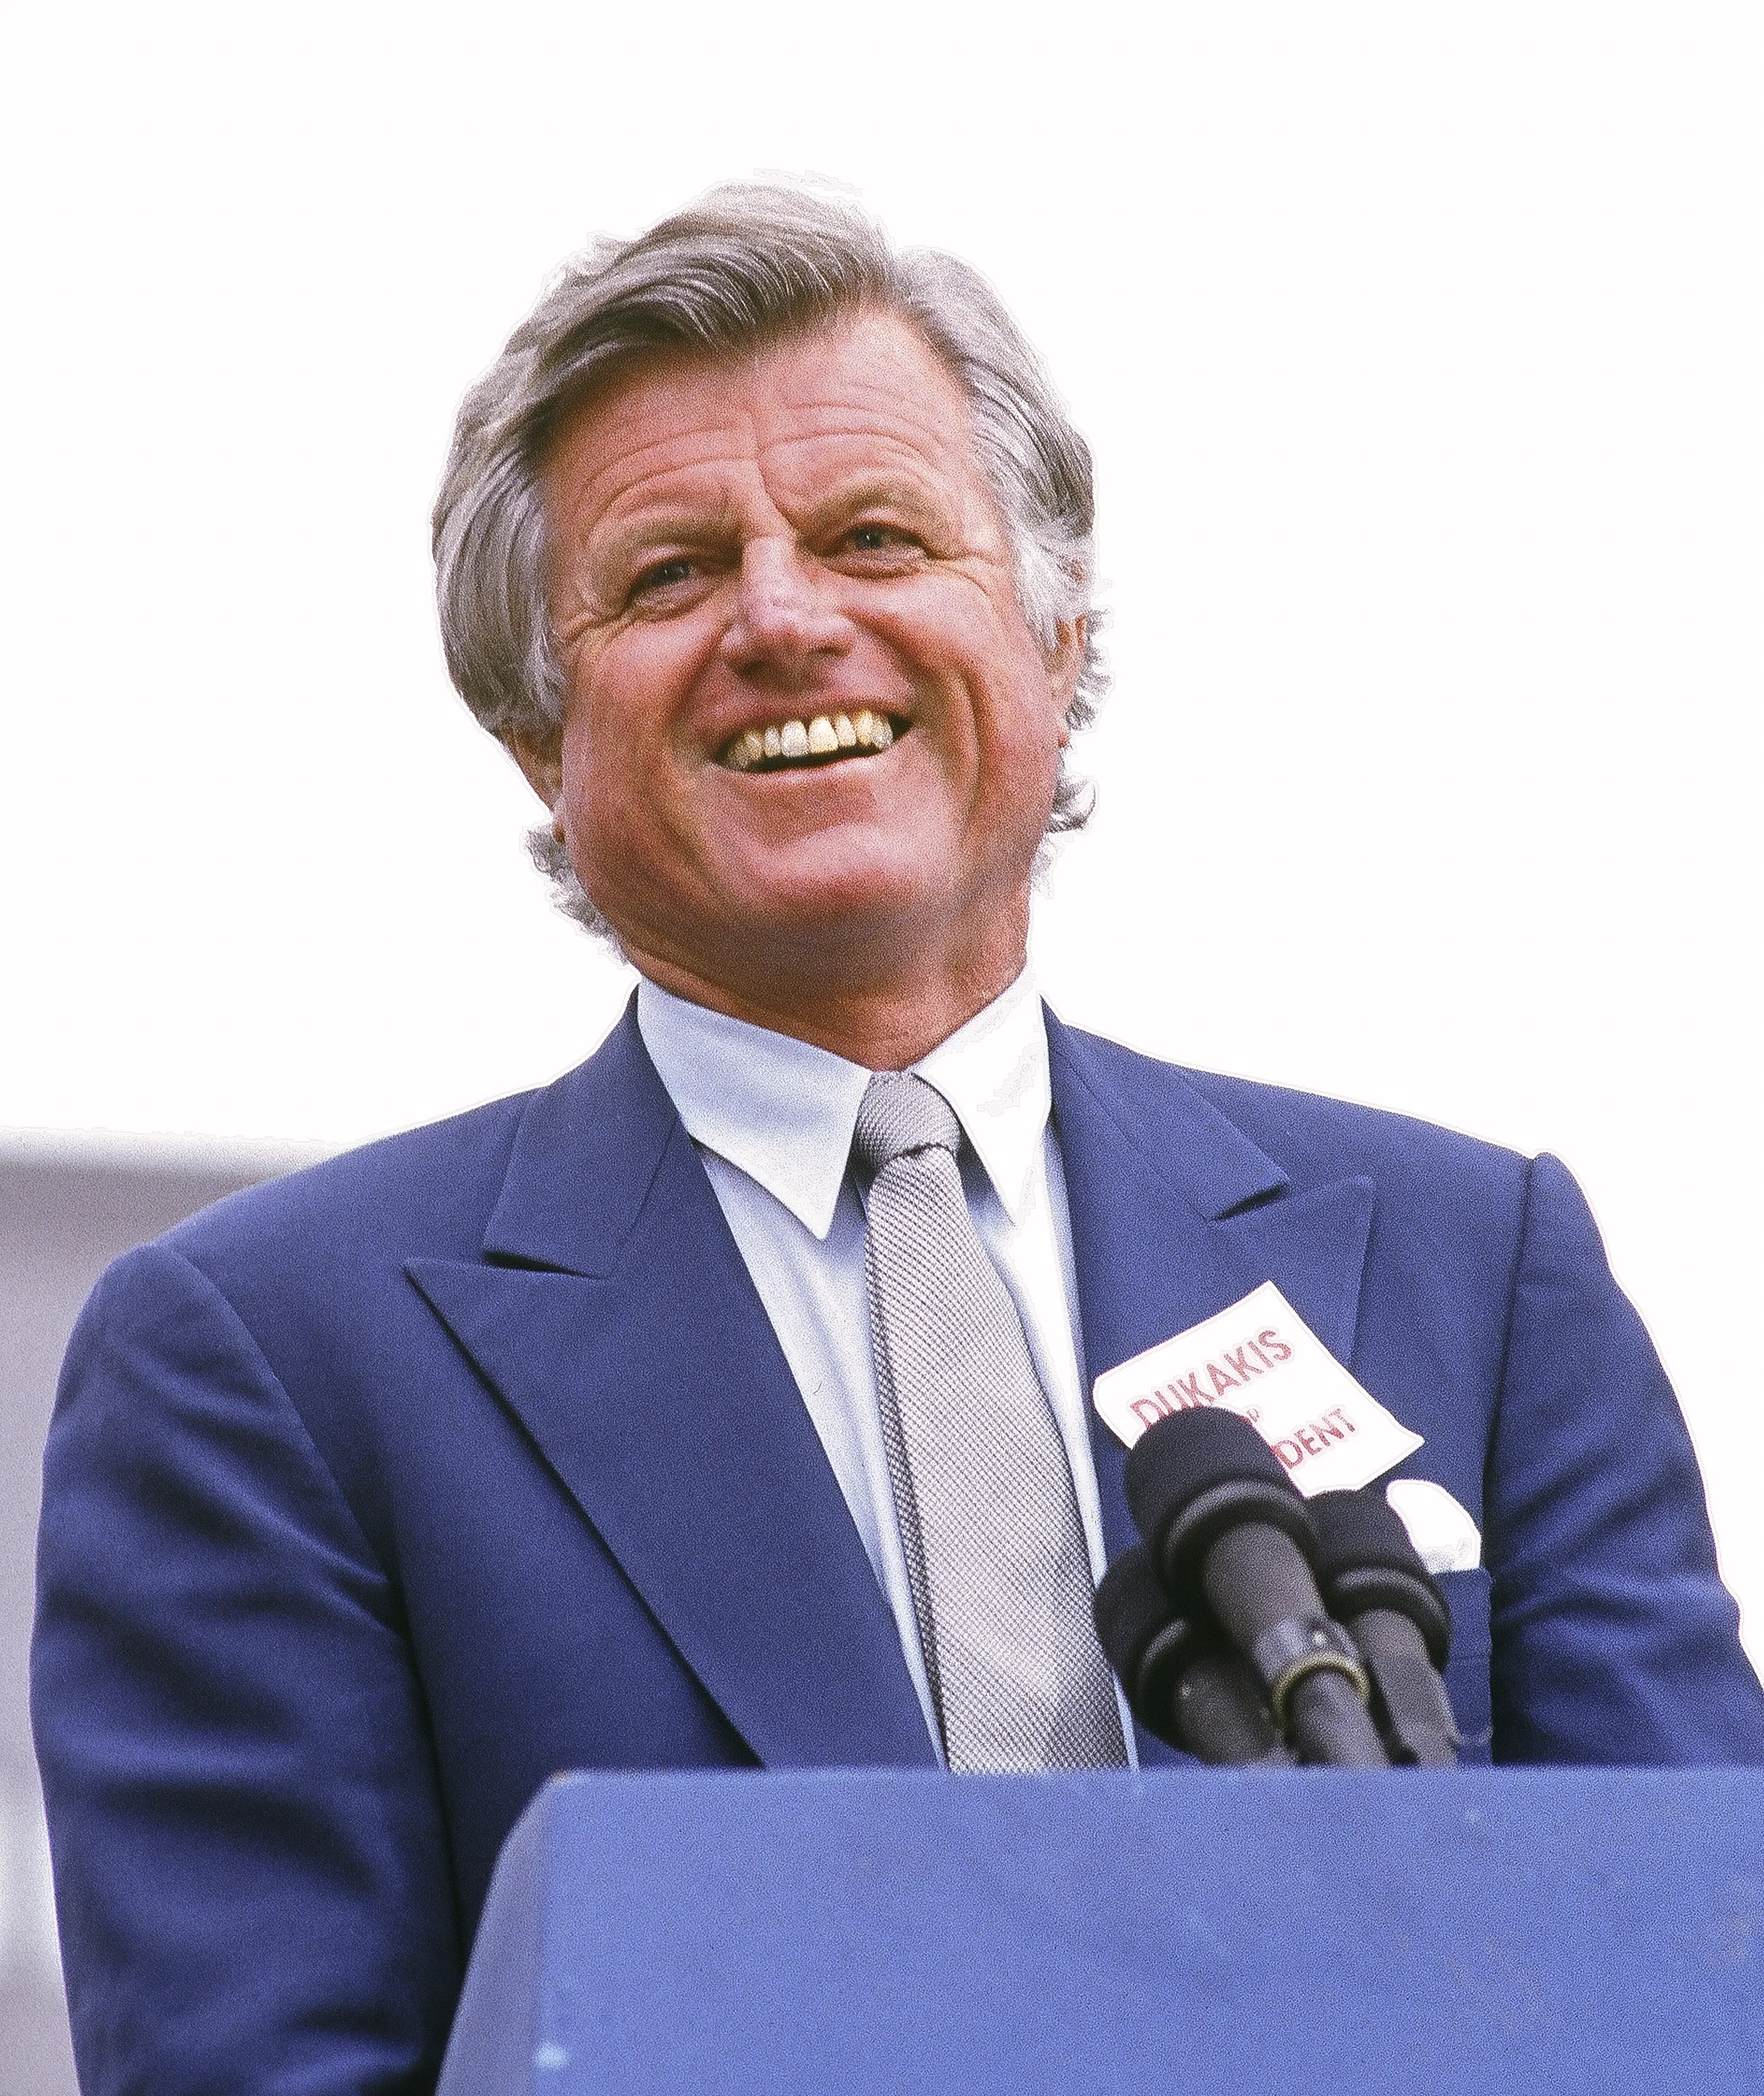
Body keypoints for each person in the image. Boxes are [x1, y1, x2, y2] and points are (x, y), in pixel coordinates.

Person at [33, 183, 1764, 2095]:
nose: (786, 619)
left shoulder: (1475, 1268)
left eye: (873, 538)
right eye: (672, 573)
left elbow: (1705, 1983)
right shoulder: (267, 1366)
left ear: (1051, 633)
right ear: (537, 728)